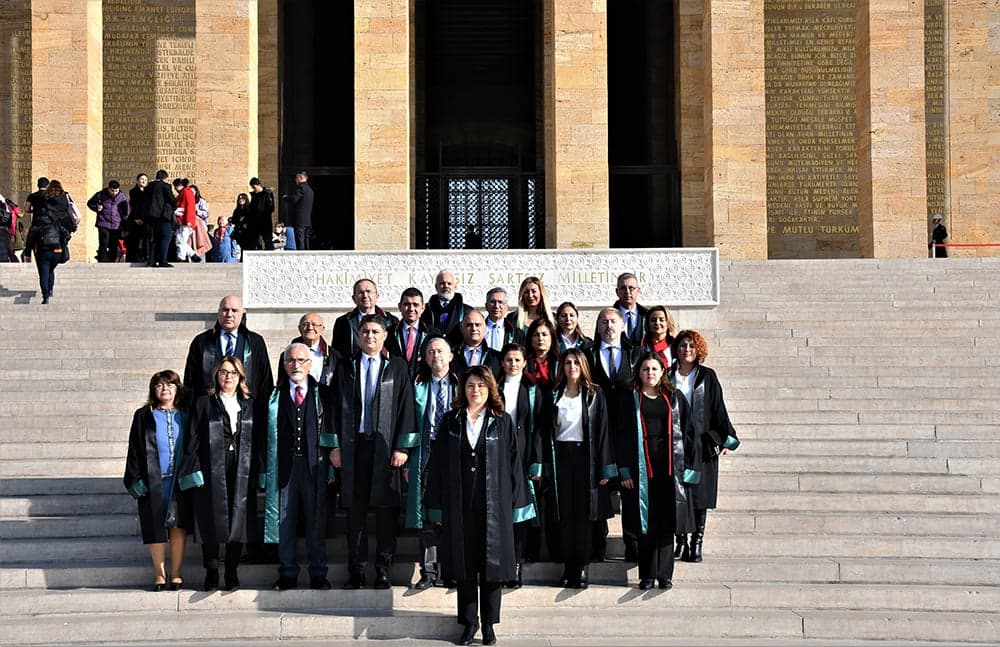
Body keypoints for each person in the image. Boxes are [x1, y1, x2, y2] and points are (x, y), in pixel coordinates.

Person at [425, 366, 534, 646]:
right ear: (464, 389)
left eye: (481, 386)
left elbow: (514, 467)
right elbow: (437, 465)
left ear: (490, 390)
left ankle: (489, 625)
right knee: (464, 566)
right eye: (471, 385)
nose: (475, 391)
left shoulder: (501, 421)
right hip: (459, 504)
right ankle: (469, 623)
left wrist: (516, 507)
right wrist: (436, 506)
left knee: (491, 567)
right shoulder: (450, 421)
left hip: (493, 507)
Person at [330, 315, 416, 589]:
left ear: (385, 335)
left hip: (386, 448)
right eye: (365, 331)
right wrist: (334, 446)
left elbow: (406, 407)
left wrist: (402, 446)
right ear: (357, 335)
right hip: (353, 448)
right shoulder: (346, 366)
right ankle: (356, 571)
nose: (369, 335)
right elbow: (333, 406)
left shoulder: (398, 367)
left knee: (386, 513)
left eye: (375, 331)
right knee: (355, 514)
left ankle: (383, 570)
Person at [530, 348, 615, 589]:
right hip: (561, 458)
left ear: (584, 366)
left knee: (584, 516)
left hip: (586, 458)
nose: (572, 367)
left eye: (576, 363)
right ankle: (569, 567)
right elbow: (542, 431)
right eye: (567, 363)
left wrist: (604, 469)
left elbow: (603, 432)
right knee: (565, 515)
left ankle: (583, 567)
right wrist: (540, 464)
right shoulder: (553, 394)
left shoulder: (594, 394)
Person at [178, 357, 257, 592]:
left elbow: (258, 439)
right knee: (208, 519)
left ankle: (231, 571)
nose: (228, 377)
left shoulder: (249, 403)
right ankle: (212, 571)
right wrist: (194, 468)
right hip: (211, 467)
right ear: (216, 376)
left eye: (233, 373)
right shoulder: (204, 403)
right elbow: (192, 439)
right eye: (223, 372)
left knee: (237, 518)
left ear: (240, 376)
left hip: (241, 467)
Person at [264, 343, 336, 590]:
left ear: (310, 364)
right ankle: (287, 573)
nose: (296, 365)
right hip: (284, 466)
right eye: (291, 361)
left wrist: (331, 464)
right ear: (284, 365)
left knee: (315, 519)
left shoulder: (324, 394)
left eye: (301, 360)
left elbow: (331, 431)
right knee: (284, 520)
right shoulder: (274, 397)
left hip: (314, 466)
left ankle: (318, 573)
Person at [617, 352, 690, 590]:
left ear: (663, 372)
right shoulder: (630, 399)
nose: (650, 373)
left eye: (655, 369)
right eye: (646, 369)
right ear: (639, 373)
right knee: (644, 522)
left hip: (668, 467)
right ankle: (647, 574)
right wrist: (625, 471)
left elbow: (688, 433)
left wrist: (687, 467)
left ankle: (665, 574)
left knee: (666, 522)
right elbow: (622, 436)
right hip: (641, 468)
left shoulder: (674, 398)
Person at [670, 329, 739, 563]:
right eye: (682, 345)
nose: (686, 349)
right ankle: (680, 541)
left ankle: (696, 542)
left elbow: (718, 407)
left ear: (698, 350)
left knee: (700, 495)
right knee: (678, 493)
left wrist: (726, 437)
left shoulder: (707, 376)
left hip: (702, 443)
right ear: (676, 349)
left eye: (691, 345)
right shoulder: (668, 375)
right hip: (675, 444)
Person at [124, 370, 192, 591]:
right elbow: (134, 448)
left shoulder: (186, 414)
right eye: (160, 385)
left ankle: (177, 573)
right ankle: (160, 575)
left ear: (177, 388)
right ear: (154, 390)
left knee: (178, 527)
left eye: (170, 385)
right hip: (154, 479)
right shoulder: (144, 415)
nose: (165, 389)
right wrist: (135, 479)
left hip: (179, 480)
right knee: (155, 527)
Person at [405, 336, 457, 590]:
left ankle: (453, 570)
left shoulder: (463, 384)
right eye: (431, 351)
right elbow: (407, 421)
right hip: (426, 454)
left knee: (454, 512)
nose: (436, 355)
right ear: (425, 358)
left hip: (454, 454)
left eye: (440, 351)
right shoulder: (417, 385)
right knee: (427, 515)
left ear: (451, 356)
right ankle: (428, 571)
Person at [590, 307, 639, 561]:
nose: (609, 325)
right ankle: (597, 544)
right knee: (599, 488)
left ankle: (633, 544)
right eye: (604, 322)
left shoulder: (635, 355)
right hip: (596, 430)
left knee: (629, 488)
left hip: (627, 431)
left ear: (622, 326)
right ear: (598, 327)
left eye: (613, 321)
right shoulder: (588, 355)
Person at [499, 342, 544, 584]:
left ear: (525, 362)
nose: (513, 364)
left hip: (524, 456)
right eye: (508, 360)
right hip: (498, 457)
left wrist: (536, 461)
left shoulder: (533, 388)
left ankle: (517, 563)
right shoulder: (493, 387)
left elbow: (538, 427)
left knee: (521, 512)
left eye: (517, 360)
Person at [22, 180, 77, 304]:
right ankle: (50, 290)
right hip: (56, 250)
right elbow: (66, 235)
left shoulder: (36, 222)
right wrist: (63, 244)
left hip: (41, 248)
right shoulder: (56, 224)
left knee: (43, 272)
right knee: (50, 270)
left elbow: (30, 238)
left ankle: (46, 296)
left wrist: (27, 254)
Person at [330, 279, 399, 358]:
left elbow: (395, 351)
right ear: (354, 298)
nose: (365, 295)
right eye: (361, 292)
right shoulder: (343, 322)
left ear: (377, 296)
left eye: (368, 291)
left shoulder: (391, 321)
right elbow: (336, 353)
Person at [387, 287, 439, 378]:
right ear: (400, 307)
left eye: (415, 305)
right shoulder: (388, 334)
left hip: (423, 386)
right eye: (407, 304)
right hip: (396, 385)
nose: (411, 309)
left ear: (423, 308)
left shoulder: (433, 334)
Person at [278, 313, 340, 387]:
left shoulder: (334, 356)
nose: (310, 328)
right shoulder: (287, 355)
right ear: (299, 328)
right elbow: (282, 384)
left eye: (314, 324)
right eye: (305, 324)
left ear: (322, 328)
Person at [421, 271, 472, 345]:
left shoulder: (467, 311)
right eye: (442, 283)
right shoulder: (425, 311)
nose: (446, 286)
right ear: (436, 287)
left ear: (455, 286)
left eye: (449, 283)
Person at [451, 309, 502, 379]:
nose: (474, 328)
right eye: (469, 325)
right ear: (462, 329)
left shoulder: (496, 357)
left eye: (478, 325)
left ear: (485, 328)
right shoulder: (451, 357)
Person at [87, 180, 130, 262]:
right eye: (112, 191)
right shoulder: (100, 194)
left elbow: (126, 212)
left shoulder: (122, 197)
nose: (114, 193)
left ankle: (112, 260)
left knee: (113, 244)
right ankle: (102, 260)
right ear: (108, 189)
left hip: (116, 224)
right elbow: (90, 203)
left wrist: (126, 208)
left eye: (116, 191)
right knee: (104, 242)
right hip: (103, 222)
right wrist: (97, 207)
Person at [600, 272, 647, 347]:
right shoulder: (605, 317)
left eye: (631, 288)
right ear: (617, 292)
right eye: (623, 288)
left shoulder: (646, 316)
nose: (627, 292)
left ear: (638, 291)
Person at [146, 170, 176, 267]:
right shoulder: (165, 186)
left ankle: (151, 261)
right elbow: (171, 200)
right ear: (165, 178)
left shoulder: (149, 186)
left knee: (155, 239)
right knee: (166, 237)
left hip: (151, 217)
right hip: (163, 216)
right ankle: (163, 260)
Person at [483, 287, 523, 352]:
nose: (496, 306)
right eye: (492, 302)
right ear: (486, 306)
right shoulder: (477, 330)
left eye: (500, 302)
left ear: (507, 307)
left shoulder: (517, 334)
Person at [17, 177, 48, 260]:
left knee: (29, 244)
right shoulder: (50, 196)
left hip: (36, 224)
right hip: (48, 224)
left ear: (38, 185)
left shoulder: (32, 196)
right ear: (48, 185)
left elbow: (27, 209)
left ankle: (27, 261)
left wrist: (34, 210)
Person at [524, 318, 560, 391]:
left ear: (552, 338)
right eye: (536, 335)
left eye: (544, 334)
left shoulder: (559, 362)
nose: (540, 338)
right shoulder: (524, 363)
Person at [282, 170, 314, 250]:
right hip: (307, 220)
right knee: (306, 240)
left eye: (296, 178)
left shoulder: (301, 187)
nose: (295, 180)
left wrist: (286, 198)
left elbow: (295, 199)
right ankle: (307, 256)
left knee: (300, 240)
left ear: (301, 178)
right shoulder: (310, 190)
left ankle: (301, 257)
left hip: (299, 220)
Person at [125, 173, 150, 263]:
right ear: (137, 180)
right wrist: (136, 218)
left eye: (146, 180)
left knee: (146, 239)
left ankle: (146, 256)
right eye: (142, 179)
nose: (144, 181)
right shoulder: (133, 191)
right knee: (135, 239)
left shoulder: (149, 192)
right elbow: (135, 206)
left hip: (146, 219)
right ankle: (135, 257)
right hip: (135, 218)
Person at [248, 177, 275, 250]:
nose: (254, 189)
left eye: (254, 187)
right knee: (252, 242)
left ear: (259, 185)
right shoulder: (253, 195)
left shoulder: (267, 193)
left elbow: (271, 208)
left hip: (265, 223)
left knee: (268, 242)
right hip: (255, 223)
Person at [229, 193, 253, 257]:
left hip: (247, 231)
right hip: (239, 231)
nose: (241, 200)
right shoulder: (237, 210)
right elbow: (234, 220)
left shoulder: (249, 209)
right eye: (239, 198)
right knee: (241, 246)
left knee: (246, 247)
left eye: (242, 198)